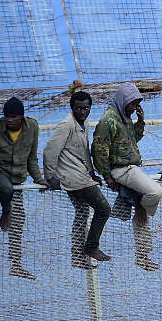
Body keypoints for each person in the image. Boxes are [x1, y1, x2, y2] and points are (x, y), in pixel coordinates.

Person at [0, 96, 44, 279]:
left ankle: (16, 264)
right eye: (6, 116)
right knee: (6, 190)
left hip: (17, 179)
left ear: (21, 117)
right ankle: (5, 211)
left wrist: (38, 178)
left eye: (13, 117)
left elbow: (32, 157)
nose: (9, 120)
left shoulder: (32, 127)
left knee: (18, 222)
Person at [92, 82, 162, 271]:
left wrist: (140, 121)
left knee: (143, 215)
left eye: (136, 104)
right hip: (122, 170)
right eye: (132, 103)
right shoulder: (109, 120)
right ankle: (139, 206)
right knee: (155, 192)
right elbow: (99, 150)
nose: (134, 107)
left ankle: (142, 255)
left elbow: (131, 141)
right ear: (123, 100)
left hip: (131, 168)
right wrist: (107, 175)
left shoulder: (124, 118)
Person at [43, 90, 111, 268]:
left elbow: (83, 151)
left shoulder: (83, 123)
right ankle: (91, 246)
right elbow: (50, 151)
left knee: (82, 213)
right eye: (78, 108)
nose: (82, 111)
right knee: (103, 209)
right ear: (72, 108)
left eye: (86, 108)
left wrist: (91, 172)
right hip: (74, 179)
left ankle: (78, 258)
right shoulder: (66, 125)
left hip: (81, 175)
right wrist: (50, 177)